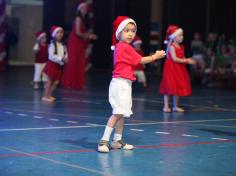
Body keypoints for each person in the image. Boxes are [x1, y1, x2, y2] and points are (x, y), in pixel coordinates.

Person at [97, 16, 166, 153]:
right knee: (117, 114)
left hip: (125, 84)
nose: (130, 33)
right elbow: (140, 60)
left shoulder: (123, 46)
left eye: (133, 31)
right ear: (119, 32)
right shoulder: (124, 47)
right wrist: (155, 57)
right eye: (126, 30)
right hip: (119, 84)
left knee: (122, 114)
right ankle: (103, 141)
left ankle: (117, 141)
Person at [159, 25, 196, 113]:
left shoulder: (181, 47)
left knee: (177, 87)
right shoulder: (171, 46)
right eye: (179, 35)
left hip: (179, 69)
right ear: (174, 37)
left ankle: (175, 106)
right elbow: (174, 59)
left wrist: (187, 60)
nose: (181, 37)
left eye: (182, 35)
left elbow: (182, 58)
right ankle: (166, 106)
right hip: (171, 69)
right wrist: (187, 61)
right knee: (169, 86)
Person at [61, 1, 97, 90]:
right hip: (74, 42)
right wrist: (89, 36)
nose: (85, 9)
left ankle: (77, 83)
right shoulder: (78, 18)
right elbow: (78, 33)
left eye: (86, 8)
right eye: (83, 8)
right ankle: (69, 82)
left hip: (81, 43)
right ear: (79, 9)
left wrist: (88, 35)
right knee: (73, 62)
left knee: (80, 62)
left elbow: (83, 33)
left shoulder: (85, 20)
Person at [42, 26, 67, 102]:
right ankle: (46, 96)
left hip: (58, 65)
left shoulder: (63, 45)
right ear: (54, 34)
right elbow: (51, 56)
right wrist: (61, 58)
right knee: (50, 81)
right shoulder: (52, 44)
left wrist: (65, 58)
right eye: (58, 33)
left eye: (61, 32)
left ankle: (49, 95)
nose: (60, 34)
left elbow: (65, 53)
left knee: (56, 82)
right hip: (52, 65)